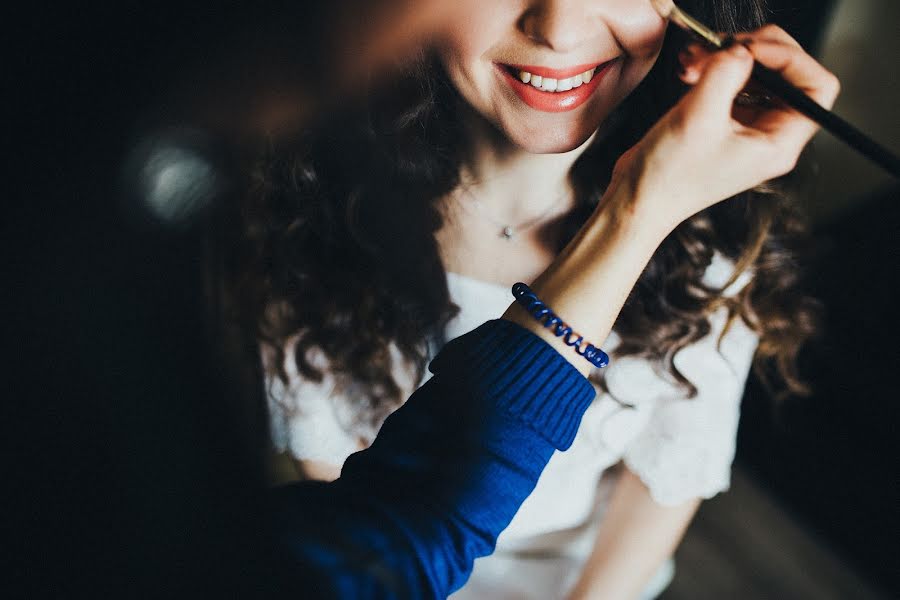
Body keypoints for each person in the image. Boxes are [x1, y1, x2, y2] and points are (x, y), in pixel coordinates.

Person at [231, 1, 840, 597]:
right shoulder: (306, 217)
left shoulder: (710, 244)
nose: (558, 28)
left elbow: (667, 478)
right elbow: (344, 489)